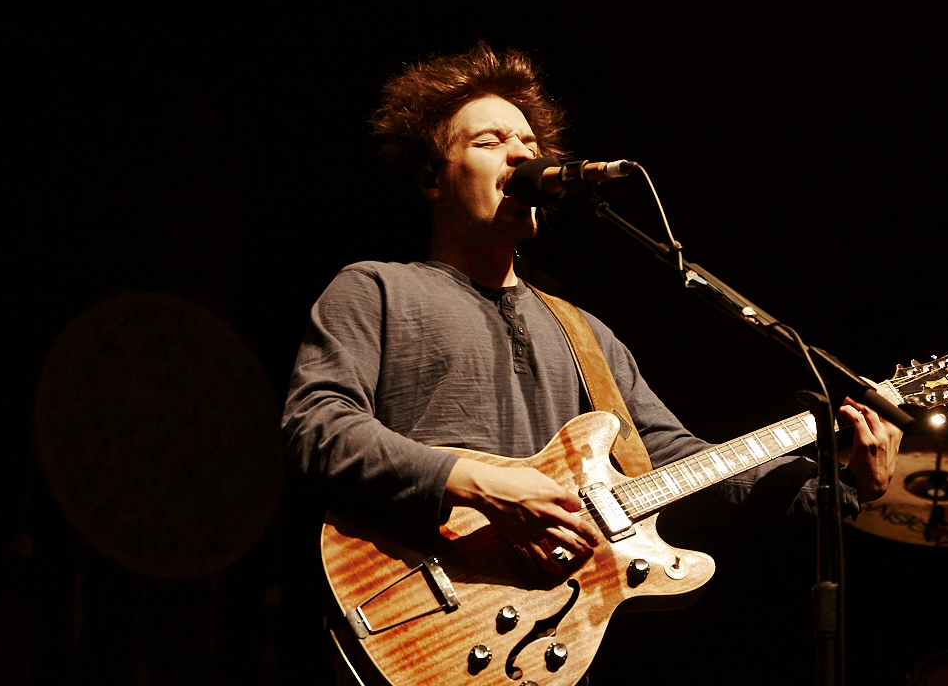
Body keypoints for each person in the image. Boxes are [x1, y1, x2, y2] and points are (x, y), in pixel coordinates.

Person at [281, 43, 902, 676]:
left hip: (539, 635)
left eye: (529, 142)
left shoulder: (584, 332)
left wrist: (844, 483)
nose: (523, 155)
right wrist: (480, 484)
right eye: (491, 141)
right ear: (431, 177)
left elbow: (679, 461)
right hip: (409, 614)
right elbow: (317, 428)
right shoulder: (376, 288)